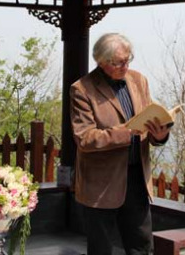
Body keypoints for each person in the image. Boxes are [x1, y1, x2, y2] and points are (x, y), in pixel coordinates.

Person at [70, 33, 171, 255]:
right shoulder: (82, 89)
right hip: (101, 185)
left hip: (137, 179)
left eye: (128, 59)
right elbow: (84, 138)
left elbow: (149, 123)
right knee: (101, 249)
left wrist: (160, 134)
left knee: (142, 247)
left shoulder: (138, 80)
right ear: (101, 62)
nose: (125, 66)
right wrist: (126, 132)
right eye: (118, 62)